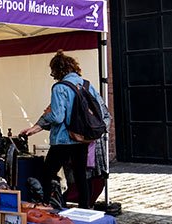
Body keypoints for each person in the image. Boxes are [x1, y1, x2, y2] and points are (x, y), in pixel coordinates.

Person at [19, 50, 107, 209]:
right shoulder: (85, 84)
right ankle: (85, 208)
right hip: (82, 138)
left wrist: (42, 122)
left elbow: (58, 117)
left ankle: (45, 204)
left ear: (56, 70)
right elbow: (101, 110)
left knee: (47, 172)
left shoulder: (60, 88)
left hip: (63, 139)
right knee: (81, 175)